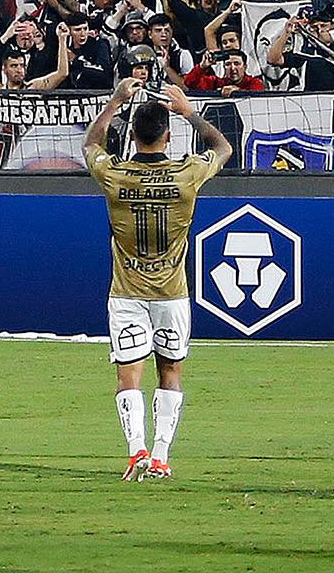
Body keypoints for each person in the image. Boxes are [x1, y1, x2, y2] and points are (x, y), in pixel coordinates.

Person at [82, 84, 231, 481]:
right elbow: (223, 148)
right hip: (172, 294)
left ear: (132, 136)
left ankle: (137, 453)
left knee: (128, 375)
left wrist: (114, 102)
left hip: (127, 294)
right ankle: (162, 456)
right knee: (171, 372)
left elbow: (90, 145)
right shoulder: (187, 174)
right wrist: (188, 110)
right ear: (168, 135)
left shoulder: (114, 174)